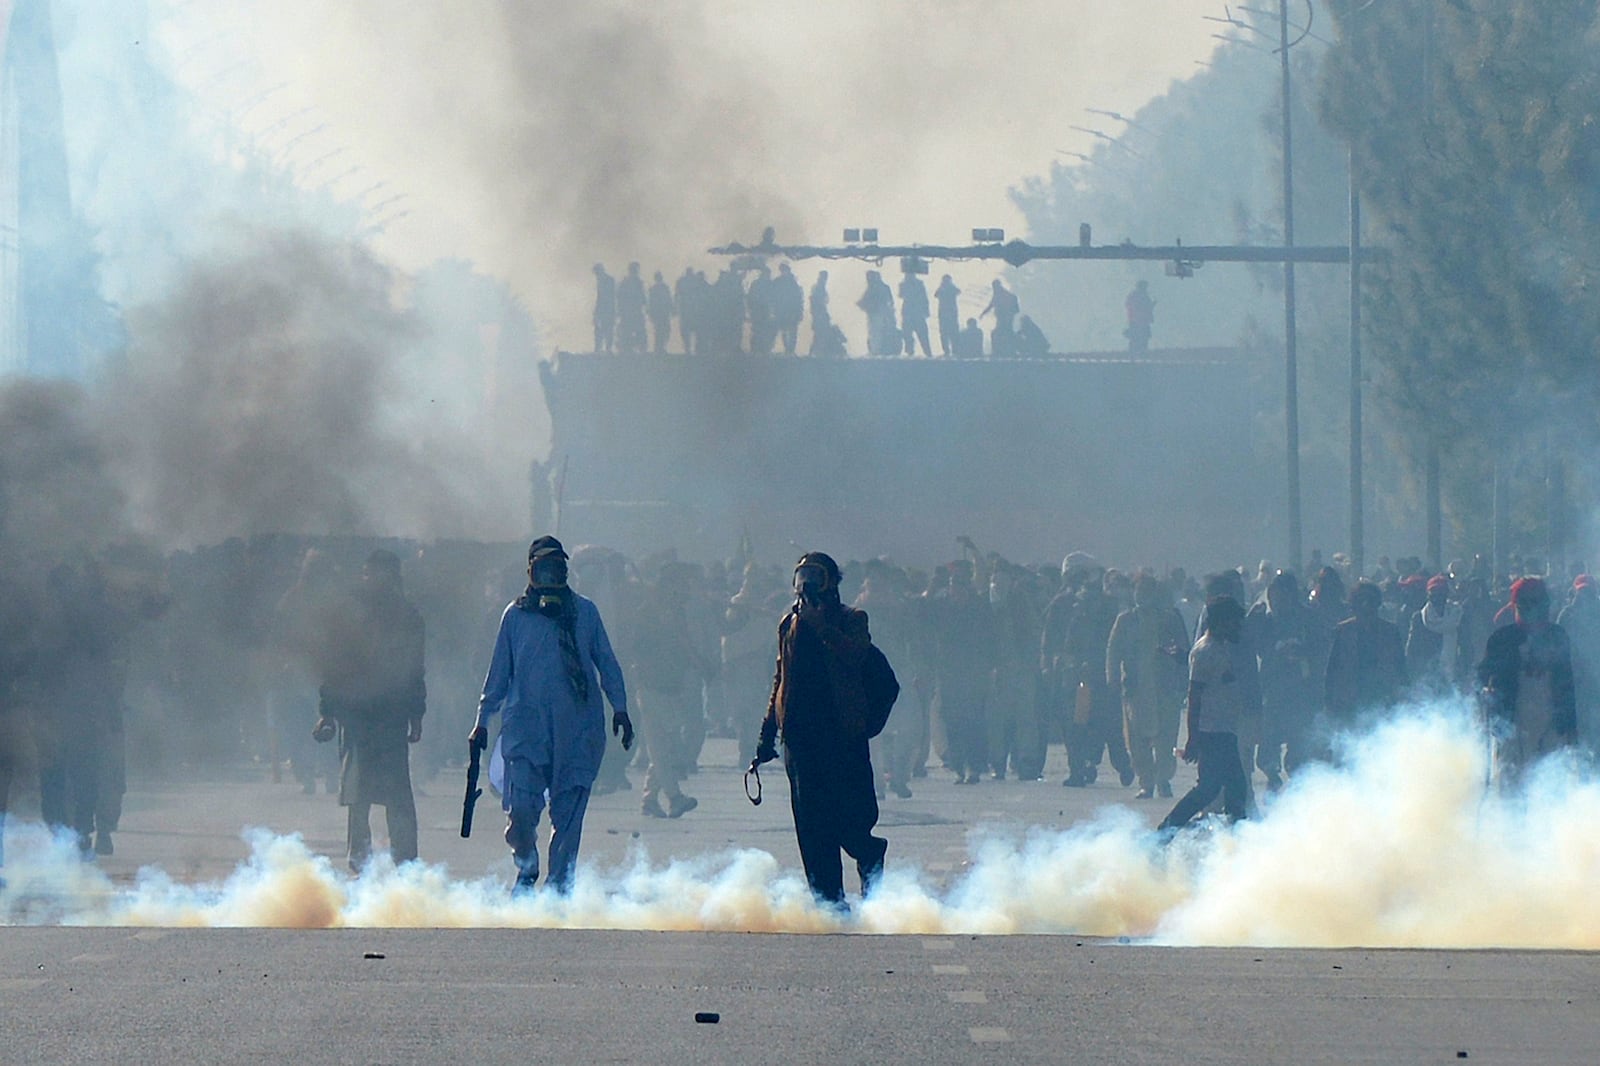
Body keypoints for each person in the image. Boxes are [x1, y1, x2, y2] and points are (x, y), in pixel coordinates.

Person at [471, 536, 634, 895]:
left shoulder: (585, 612)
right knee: (523, 810)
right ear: (530, 572)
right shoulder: (515, 616)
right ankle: (526, 868)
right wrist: (482, 721)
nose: (550, 575)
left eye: (556, 568)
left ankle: (560, 887)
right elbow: (497, 675)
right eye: (543, 568)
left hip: (578, 728)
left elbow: (607, 663)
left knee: (569, 812)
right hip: (526, 730)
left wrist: (619, 707)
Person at [752, 552, 891, 909]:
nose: (808, 585)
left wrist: (823, 628)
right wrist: (767, 733)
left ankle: (869, 854)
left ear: (831, 583)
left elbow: (857, 656)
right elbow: (780, 678)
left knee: (848, 817)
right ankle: (829, 903)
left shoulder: (851, 620)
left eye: (816, 576)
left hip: (841, 736)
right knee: (811, 825)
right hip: (799, 739)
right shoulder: (788, 624)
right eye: (803, 576)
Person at [313, 550, 427, 872]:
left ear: (393, 577)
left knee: (397, 792)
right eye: (368, 573)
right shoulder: (348, 616)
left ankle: (406, 860)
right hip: (356, 714)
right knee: (357, 791)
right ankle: (358, 857)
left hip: (392, 715)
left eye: (378, 573)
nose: (372, 579)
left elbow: (416, 670)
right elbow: (333, 667)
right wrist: (328, 712)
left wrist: (416, 713)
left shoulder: (408, 617)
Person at [1158, 595, 1258, 832]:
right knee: (1211, 790)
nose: (1238, 628)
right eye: (1234, 622)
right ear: (1221, 622)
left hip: (1225, 730)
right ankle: (1164, 833)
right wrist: (1193, 738)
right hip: (1213, 733)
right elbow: (1195, 697)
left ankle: (1236, 838)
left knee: (1232, 789)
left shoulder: (1219, 648)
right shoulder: (1205, 651)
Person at [1477, 577, 1577, 785]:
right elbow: (1484, 675)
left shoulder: (1557, 635)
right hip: (1513, 718)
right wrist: (1491, 697)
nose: (1533, 608)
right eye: (1527, 602)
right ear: (1517, 605)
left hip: (1550, 716)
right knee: (1511, 781)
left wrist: (1568, 721)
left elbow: (1567, 680)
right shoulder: (1503, 638)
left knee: (1548, 781)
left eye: (1538, 602)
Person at [1106, 575, 1189, 799]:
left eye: (1146, 591)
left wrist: (1184, 682)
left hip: (1165, 687)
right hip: (1135, 689)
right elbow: (1113, 652)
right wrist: (1113, 680)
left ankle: (1163, 780)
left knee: (1166, 739)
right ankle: (1146, 782)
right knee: (1136, 739)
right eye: (1139, 591)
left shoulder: (1169, 619)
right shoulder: (1125, 621)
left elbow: (1183, 652)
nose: (1142, 596)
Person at [857, 271, 897, 356]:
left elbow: (867, 300)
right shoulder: (883, 287)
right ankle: (877, 350)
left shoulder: (874, 288)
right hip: (881, 314)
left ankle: (875, 351)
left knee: (876, 332)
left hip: (877, 314)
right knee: (878, 332)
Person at [980, 279, 1019, 357]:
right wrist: (983, 314)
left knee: (999, 334)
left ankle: (1001, 351)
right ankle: (1006, 350)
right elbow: (991, 305)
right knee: (1004, 334)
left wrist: (983, 314)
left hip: (1005, 319)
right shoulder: (1001, 295)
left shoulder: (1003, 295)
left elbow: (991, 305)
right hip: (1004, 318)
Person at [772, 263, 805, 356]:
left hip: (792, 311)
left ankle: (790, 350)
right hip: (782, 311)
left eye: (785, 270)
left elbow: (798, 298)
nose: (784, 272)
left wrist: (799, 311)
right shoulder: (778, 282)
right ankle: (787, 349)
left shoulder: (793, 282)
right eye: (783, 270)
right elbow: (773, 296)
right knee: (785, 330)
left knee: (792, 331)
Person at [899, 270, 931, 356]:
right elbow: (901, 295)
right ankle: (913, 351)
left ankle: (925, 352)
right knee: (909, 334)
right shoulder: (908, 284)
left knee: (920, 334)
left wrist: (926, 310)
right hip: (912, 312)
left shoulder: (909, 284)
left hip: (914, 312)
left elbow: (901, 295)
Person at [617, 262, 647, 353]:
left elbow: (619, 296)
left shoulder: (625, 282)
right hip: (635, 311)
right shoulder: (639, 282)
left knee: (628, 331)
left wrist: (620, 309)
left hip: (628, 312)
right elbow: (643, 298)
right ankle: (640, 349)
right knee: (639, 331)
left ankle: (628, 348)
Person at [647, 270, 674, 354]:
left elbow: (650, 302)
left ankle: (659, 347)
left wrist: (650, 313)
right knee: (664, 330)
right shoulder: (665, 287)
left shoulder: (653, 288)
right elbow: (669, 300)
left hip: (658, 313)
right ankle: (661, 347)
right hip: (663, 313)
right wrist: (672, 309)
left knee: (659, 330)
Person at [934, 274, 961, 356]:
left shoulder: (952, 288)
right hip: (944, 314)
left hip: (950, 313)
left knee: (952, 332)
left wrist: (947, 287)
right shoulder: (942, 289)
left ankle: (954, 350)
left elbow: (958, 291)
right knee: (944, 333)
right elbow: (935, 295)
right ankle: (947, 350)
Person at [1125, 280, 1154, 353]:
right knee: (1140, 337)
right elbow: (1143, 307)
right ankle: (1139, 352)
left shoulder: (1132, 295)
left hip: (1136, 320)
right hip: (1141, 320)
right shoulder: (1141, 296)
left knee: (1136, 338)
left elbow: (1128, 305)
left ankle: (1135, 352)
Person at [592, 264, 616, 353]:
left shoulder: (609, 280)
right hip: (603, 310)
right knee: (600, 330)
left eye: (597, 273)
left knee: (607, 330)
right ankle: (600, 348)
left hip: (607, 310)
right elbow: (599, 297)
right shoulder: (603, 280)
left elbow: (608, 297)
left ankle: (607, 348)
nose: (596, 276)